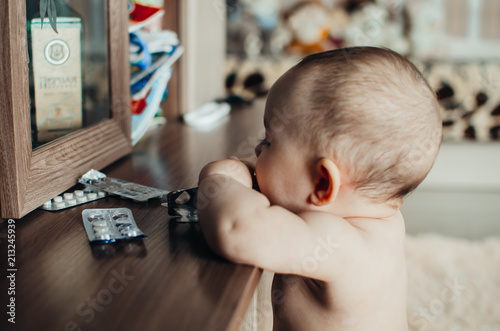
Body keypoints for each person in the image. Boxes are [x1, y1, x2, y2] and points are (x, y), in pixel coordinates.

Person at [197, 47, 442, 331]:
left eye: (269, 141)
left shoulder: (338, 241)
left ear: (323, 184)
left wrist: (220, 178)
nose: (256, 150)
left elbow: (238, 231)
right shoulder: (378, 218)